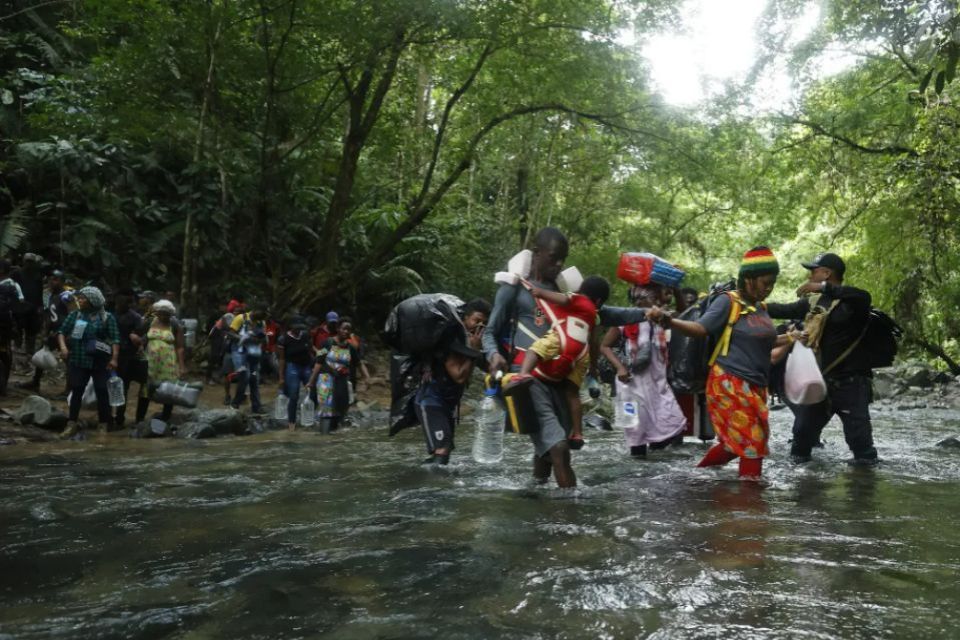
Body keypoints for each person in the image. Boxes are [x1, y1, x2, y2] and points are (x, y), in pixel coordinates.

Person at [482, 227, 649, 488]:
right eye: (553, 257)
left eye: (563, 258)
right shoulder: (513, 289)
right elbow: (490, 332)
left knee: (547, 451)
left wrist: (647, 313)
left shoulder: (566, 295)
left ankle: (534, 495)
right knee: (559, 448)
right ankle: (568, 518)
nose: (559, 264)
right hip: (529, 379)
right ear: (536, 253)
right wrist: (493, 355)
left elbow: (607, 314)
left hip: (561, 379)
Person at [648, 247, 788, 480]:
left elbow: (768, 341)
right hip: (729, 383)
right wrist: (669, 320)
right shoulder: (727, 302)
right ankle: (750, 504)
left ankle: (697, 478)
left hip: (755, 386)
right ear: (750, 280)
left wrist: (792, 338)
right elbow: (700, 329)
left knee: (735, 443)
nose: (769, 288)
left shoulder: (761, 308)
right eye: (766, 282)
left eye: (773, 283)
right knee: (752, 444)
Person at [764, 252, 877, 466]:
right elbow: (781, 309)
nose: (809, 275)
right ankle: (804, 490)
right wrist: (749, 302)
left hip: (851, 384)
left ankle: (864, 491)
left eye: (813, 271)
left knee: (861, 447)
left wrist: (825, 288)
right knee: (801, 439)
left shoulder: (853, 303)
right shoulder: (814, 302)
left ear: (827, 273)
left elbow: (863, 296)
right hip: (820, 383)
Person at [504, 276, 611, 451]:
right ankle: (577, 433)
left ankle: (523, 375)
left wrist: (539, 293)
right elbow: (593, 342)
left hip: (563, 339)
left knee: (533, 351)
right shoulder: (593, 315)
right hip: (581, 353)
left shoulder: (575, 299)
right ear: (598, 301)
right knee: (572, 393)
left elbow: (561, 300)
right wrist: (593, 367)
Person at [602, 282, 688, 458]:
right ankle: (638, 477)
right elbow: (604, 346)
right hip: (628, 387)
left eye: (656, 297)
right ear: (638, 300)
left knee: (671, 429)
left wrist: (677, 288)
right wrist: (619, 367)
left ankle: (657, 475)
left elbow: (684, 314)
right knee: (636, 438)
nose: (655, 301)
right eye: (651, 298)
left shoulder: (661, 319)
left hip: (657, 387)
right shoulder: (623, 320)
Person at [416, 298, 490, 465]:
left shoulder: (471, 341)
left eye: (484, 323)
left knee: (445, 449)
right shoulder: (450, 340)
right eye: (476, 320)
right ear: (465, 318)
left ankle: (424, 480)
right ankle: (431, 487)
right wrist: (474, 351)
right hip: (430, 401)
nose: (480, 326)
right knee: (442, 448)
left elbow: (487, 366)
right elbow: (459, 376)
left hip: (448, 404)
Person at [57, 286, 120, 437]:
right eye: (79, 297)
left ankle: (103, 424)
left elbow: (115, 339)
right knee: (77, 390)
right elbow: (61, 332)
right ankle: (71, 423)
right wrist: (64, 347)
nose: (79, 300)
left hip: (100, 362)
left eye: (83, 298)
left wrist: (114, 358)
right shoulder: (75, 316)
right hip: (78, 360)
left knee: (102, 391)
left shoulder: (106, 317)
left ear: (92, 301)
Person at [308, 318, 364, 433]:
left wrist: (367, 377)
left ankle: (333, 435)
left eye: (349, 329)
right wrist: (311, 381)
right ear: (338, 329)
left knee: (341, 409)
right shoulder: (327, 343)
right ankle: (324, 435)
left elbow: (359, 363)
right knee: (326, 408)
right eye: (344, 329)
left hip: (342, 381)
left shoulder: (350, 347)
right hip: (326, 379)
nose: (346, 331)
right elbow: (318, 361)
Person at [19, 270, 71, 392]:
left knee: (69, 360)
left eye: (55, 279)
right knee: (41, 353)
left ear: (62, 281)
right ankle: (35, 382)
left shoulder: (66, 296)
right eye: (50, 279)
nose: (51, 282)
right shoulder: (51, 295)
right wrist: (45, 332)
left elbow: (73, 314)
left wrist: (67, 332)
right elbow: (49, 316)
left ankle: (69, 389)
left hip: (64, 333)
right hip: (53, 332)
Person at [135, 299, 186, 423]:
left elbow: (180, 347)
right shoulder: (148, 322)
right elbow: (137, 336)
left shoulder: (175, 325)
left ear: (170, 314)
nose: (163, 316)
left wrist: (182, 366)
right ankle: (139, 419)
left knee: (168, 390)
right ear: (156, 312)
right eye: (161, 313)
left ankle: (165, 418)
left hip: (168, 362)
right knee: (146, 389)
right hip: (150, 361)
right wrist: (140, 346)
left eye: (166, 314)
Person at [112, 289, 146, 427]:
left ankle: (119, 418)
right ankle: (110, 417)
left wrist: (136, 338)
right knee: (110, 387)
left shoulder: (135, 317)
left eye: (127, 301)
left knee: (123, 387)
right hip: (110, 354)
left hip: (128, 357)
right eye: (121, 301)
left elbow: (142, 336)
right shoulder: (110, 315)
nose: (123, 304)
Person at [277, 315, 315, 430]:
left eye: (300, 327)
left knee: (313, 392)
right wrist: (281, 377)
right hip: (292, 367)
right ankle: (291, 424)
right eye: (296, 327)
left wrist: (321, 356)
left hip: (306, 366)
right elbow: (282, 359)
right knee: (294, 395)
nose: (298, 330)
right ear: (291, 327)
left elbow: (311, 350)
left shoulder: (306, 335)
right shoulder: (283, 339)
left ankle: (310, 418)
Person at [229, 307, 267, 413]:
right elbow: (230, 333)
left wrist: (258, 339)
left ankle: (256, 406)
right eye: (262, 313)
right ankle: (235, 403)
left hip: (254, 353)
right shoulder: (240, 318)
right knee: (244, 377)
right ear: (255, 310)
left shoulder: (262, 322)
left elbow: (264, 338)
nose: (263, 316)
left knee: (254, 379)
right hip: (239, 352)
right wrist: (244, 338)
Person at [0, 259, 24, 395]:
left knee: (4, 354)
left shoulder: (9, 286)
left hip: (4, 327)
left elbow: (17, 307)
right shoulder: (13, 286)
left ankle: (3, 386)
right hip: (7, 326)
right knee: (5, 354)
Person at [13, 253, 44, 354]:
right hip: (19, 307)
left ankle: (29, 351)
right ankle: (17, 349)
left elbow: (40, 292)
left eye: (31, 262)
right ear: (24, 262)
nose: (29, 264)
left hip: (33, 308)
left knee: (31, 331)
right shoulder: (17, 273)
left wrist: (40, 306)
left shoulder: (37, 275)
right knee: (18, 329)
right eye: (27, 262)